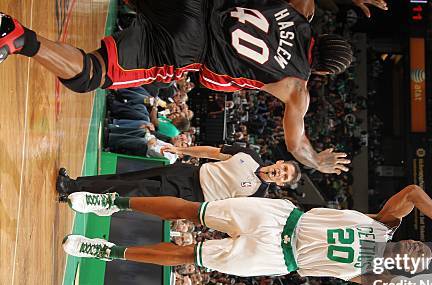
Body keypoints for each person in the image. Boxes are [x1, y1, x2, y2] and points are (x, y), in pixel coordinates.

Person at [0, 0, 387, 174]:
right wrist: (318, 161)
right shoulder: (296, 88)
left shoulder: (303, 10)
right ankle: (18, 38)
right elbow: (296, 146)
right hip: (189, 48)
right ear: (320, 73)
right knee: (95, 74)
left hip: (198, 6)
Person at [62, 184, 432, 285]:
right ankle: (111, 201)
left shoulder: (374, 275)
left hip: (276, 260)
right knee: (189, 210)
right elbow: (413, 193)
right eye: (420, 245)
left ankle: (108, 250)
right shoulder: (386, 222)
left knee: (188, 255)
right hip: (282, 218)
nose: (415, 247)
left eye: (416, 257)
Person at [56, 143, 301, 202]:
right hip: (186, 171)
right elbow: (214, 153)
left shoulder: (257, 195)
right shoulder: (251, 155)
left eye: (284, 177)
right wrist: (180, 149)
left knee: (129, 190)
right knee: (128, 178)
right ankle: (76, 184)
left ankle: (71, 189)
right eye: (284, 169)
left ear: (280, 184)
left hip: (190, 194)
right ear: (279, 162)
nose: (280, 173)